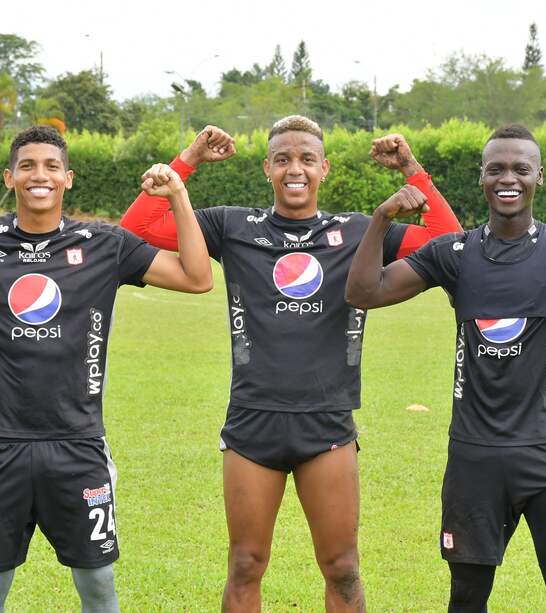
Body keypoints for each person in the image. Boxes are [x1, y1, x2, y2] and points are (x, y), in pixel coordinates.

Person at [121, 116, 462, 612]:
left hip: (326, 424)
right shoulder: (233, 226)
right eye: (282, 159)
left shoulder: (357, 231)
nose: (294, 169)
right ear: (267, 169)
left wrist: (412, 170)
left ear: (323, 168)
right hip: (252, 423)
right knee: (244, 565)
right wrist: (187, 161)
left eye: (305, 159)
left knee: (343, 568)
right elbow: (137, 232)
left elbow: (450, 245)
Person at [0, 126, 212, 613]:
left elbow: (197, 278)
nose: (39, 175)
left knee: (99, 586)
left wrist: (178, 193)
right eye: (27, 166)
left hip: (78, 446)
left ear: (68, 179)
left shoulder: (103, 245)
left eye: (51, 166)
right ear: (10, 178)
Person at [344, 124, 546, 613]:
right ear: (481, 177)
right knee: (467, 597)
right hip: (474, 458)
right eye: (496, 168)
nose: (509, 178)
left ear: (539, 176)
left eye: (521, 169)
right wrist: (381, 218)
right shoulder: (454, 254)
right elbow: (362, 293)